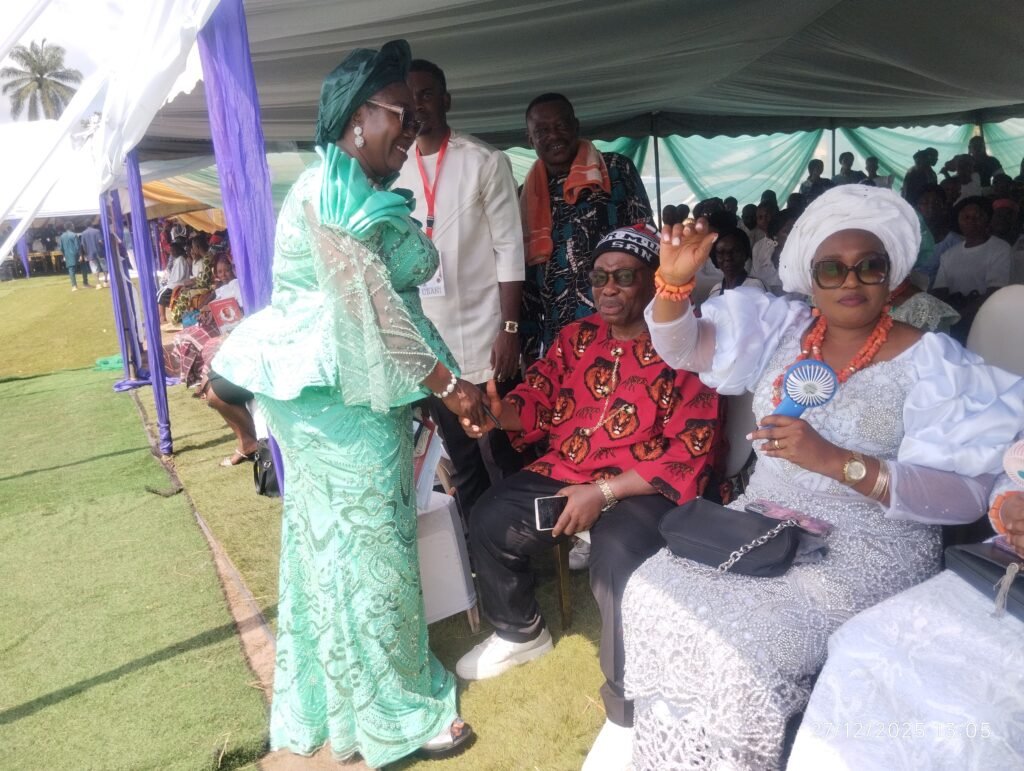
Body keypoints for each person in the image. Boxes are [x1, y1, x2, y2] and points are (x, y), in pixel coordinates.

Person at [621, 184, 1024, 769]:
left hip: (867, 544)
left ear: (891, 276)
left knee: (745, 642)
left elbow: (965, 497)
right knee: (651, 593)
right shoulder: (781, 330)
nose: (850, 281)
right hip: (759, 522)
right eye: (831, 269)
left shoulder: (934, 362)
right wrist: (673, 286)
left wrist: (840, 462)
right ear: (811, 280)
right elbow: (686, 348)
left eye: (869, 266)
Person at [212, 40, 485, 766]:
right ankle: (395, 712)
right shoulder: (330, 194)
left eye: (418, 116)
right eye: (403, 114)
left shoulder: (347, 186)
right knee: (372, 554)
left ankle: (342, 698)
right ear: (359, 117)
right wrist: (449, 387)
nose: (413, 129)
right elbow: (376, 309)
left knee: (334, 550)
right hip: (338, 402)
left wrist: (440, 384)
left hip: (354, 393)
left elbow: (393, 308)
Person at [454, 225, 720, 771]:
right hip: (569, 466)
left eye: (624, 277)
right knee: (491, 516)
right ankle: (521, 633)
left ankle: (626, 712)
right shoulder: (577, 336)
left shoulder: (687, 342)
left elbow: (691, 447)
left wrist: (603, 492)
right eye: (600, 277)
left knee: (616, 561)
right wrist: (497, 413)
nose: (608, 288)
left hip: (643, 482)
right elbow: (538, 398)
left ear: (654, 281)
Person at [394, 58, 525, 521]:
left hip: (485, 334)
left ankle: (519, 539)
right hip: (432, 342)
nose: (417, 106)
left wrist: (510, 329)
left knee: (502, 452)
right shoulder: (395, 168)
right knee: (462, 460)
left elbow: (510, 248)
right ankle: (476, 543)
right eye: (409, 98)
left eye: (426, 94)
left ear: (446, 100)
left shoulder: (484, 161)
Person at [518, 92, 652, 363]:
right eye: (542, 131)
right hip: (559, 337)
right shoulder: (525, 196)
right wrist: (531, 352)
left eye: (561, 125)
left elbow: (646, 241)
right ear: (530, 139)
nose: (554, 136)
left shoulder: (615, 170)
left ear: (576, 126)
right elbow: (527, 285)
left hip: (621, 323)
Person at [933, 195, 1011, 339]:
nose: (971, 221)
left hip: (986, 318)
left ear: (987, 219)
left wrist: (960, 317)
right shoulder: (949, 254)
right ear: (958, 221)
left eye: (977, 216)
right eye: (966, 217)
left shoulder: (1000, 248)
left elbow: (994, 291)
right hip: (953, 318)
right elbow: (940, 291)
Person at [913, 183, 961, 288]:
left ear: (944, 207)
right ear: (917, 207)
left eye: (936, 202)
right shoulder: (908, 238)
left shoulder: (955, 242)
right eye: (925, 202)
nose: (931, 206)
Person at [706, 227, 767, 296]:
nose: (728, 258)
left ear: (745, 253)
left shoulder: (755, 286)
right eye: (721, 253)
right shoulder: (715, 291)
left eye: (735, 251)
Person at [156, 241, 190, 325]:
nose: (171, 252)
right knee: (159, 293)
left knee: (161, 296)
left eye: (173, 250)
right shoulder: (178, 259)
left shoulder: (180, 260)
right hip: (175, 283)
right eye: (170, 251)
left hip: (178, 284)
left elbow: (179, 276)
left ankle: (162, 317)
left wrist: (169, 283)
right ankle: (161, 316)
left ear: (178, 250)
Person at [59, 222, 87, 291]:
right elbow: (78, 246)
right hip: (76, 254)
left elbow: (61, 248)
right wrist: (81, 255)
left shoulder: (62, 236)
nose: (73, 226)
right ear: (70, 226)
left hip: (68, 255)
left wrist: (64, 255)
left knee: (71, 270)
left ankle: (74, 286)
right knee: (84, 267)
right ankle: (85, 283)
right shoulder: (74, 235)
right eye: (72, 225)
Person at [79, 222, 107, 288]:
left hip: (90, 253)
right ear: (92, 224)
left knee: (94, 268)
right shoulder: (97, 231)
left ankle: (98, 283)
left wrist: (86, 252)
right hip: (99, 252)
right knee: (104, 266)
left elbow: (83, 245)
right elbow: (100, 241)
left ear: (85, 226)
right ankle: (105, 282)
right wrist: (104, 247)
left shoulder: (83, 233)